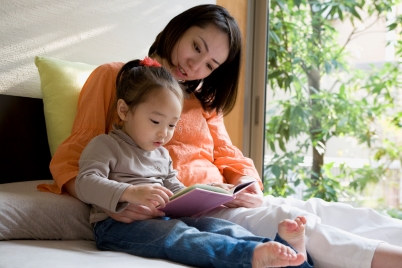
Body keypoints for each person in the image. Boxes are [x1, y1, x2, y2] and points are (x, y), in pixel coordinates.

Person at [37, 4, 402, 268]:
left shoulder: (203, 101)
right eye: (196, 47)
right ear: (178, 28)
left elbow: (228, 154)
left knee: (323, 209)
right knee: (304, 222)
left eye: (210, 65)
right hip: (174, 212)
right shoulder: (115, 76)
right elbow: (74, 157)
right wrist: (121, 198)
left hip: (219, 200)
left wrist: (245, 182)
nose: (196, 66)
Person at [75, 57, 314, 268]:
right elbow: (85, 183)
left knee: (214, 226)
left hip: (164, 217)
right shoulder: (105, 145)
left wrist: (207, 192)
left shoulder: (161, 155)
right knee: (179, 237)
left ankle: (286, 252)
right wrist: (130, 192)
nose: (164, 134)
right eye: (155, 121)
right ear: (124, 110)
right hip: (117, 228)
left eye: (171, 125)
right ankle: (251, 255)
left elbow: (175, 189)